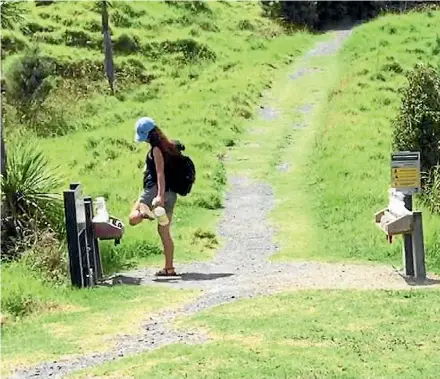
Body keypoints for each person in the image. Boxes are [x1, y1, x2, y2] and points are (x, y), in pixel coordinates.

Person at [129, 117, 184, 277]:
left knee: (133, 218)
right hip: (171, 193)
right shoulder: (169, 146)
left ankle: (147, 212)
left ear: (148, 135)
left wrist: (158, 196)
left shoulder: (156, 150)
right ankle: (169, 268)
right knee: (164, 231)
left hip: (154, 191)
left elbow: (160, 174)